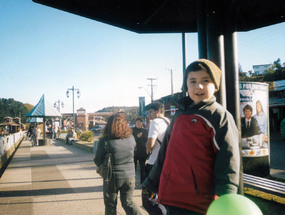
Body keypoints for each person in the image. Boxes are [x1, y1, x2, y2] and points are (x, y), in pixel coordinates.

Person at [143, 59, 240, 215]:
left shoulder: (219, 116)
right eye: (192, 81)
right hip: (172, 198)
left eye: (205, 81)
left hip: (200, 204)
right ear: (186, 86)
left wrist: (225, 196)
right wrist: (152, 182)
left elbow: (228, 160)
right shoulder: (179, 116)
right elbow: (165, 153)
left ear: (215, 86)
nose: (198, 86)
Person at [94, 114, 142, 215]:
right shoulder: (131, 138)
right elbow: (134, 152)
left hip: (112, 178)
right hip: (130, 177)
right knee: (128, 203)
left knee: (110, 205)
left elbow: (97, 160)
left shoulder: (105, 140)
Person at [143, 102, 169, 215]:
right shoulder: (169, 121)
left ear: (157, 111)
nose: (149, 115)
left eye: (151, 112)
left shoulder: (155, 122)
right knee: (163, 197)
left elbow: (150, 143)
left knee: (147, 199)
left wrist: (147, 149)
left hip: (154, 164)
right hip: (167, 163)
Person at [132, 117, 148, 184]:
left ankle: (143, 182)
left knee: (142, 168)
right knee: (133, 168)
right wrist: (136, 137)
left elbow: (147, 141)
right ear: (135, 123)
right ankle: (133, 182)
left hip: (142, 152)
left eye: (141, 122)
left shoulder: (145, 131)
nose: (139, 124)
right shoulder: (131, 130)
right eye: (138, 122)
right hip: (134, 152)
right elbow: (130, 141)